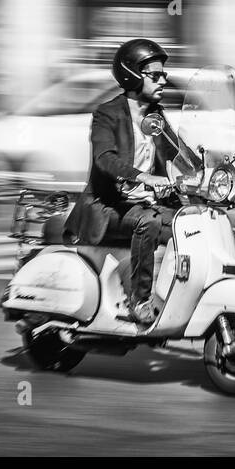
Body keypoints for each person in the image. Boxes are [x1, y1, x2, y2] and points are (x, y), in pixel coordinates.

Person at [64, 38, 183, 326]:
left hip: (142, 204)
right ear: (132, 76)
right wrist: (145, 177)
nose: (163, 79)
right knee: (150, 222)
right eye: (155, 75)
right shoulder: (107, 114)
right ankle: (139, 301)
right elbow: (105, 160)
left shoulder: (156, 116)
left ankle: (173, 297)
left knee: (189, 223)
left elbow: (178, 155)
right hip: (107, 208)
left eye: (163, 73)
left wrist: (212, 176)